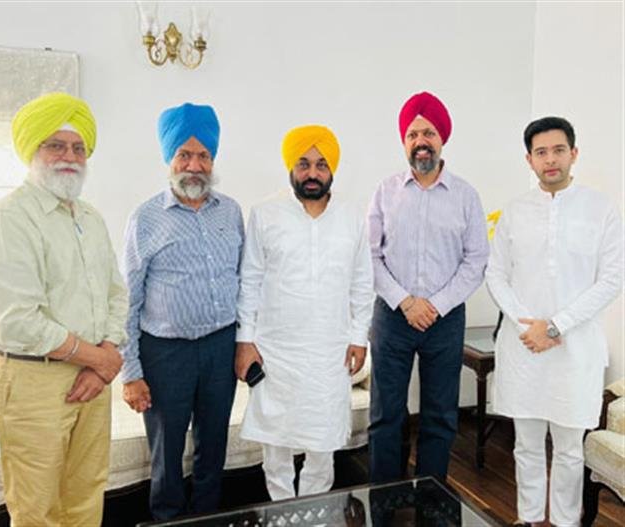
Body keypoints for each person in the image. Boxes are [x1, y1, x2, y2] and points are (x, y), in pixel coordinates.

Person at [0, 92, 127, 526]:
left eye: (79, 148)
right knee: (37, 510)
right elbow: (19, 320)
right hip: (33, 381)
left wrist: (102, 361)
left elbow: (116, 293)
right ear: (32, 150)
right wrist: (100, 359)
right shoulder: (8, 218)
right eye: (56, 145)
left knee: (86, 498)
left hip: (92, 378)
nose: (69, 157)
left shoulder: (90, 217)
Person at [486, 116, 623, 527]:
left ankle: (565, 522)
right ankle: (529, 518)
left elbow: (612, 279)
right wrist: (527, 325)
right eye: (541, 152)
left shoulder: (601, 209)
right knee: (526, 444)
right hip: (524, 347)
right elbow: (496, 274)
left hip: (574, 349)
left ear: (573, 154)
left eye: (558, 150)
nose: (550, 160)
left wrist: (556, 325)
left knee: (569, 449)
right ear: (529, 160)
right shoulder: (515, 211)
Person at [235, 124, 374, 500]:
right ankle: (281, 513)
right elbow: (250, 281)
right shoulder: (265, 213)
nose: (312, 173)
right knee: (275, 444)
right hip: (275, 349)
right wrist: (244, 341)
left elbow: (362, 282)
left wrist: (359, 337)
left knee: (323, 442)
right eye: (304, 164)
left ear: (332, 169)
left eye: (321, 164)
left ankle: (317, 516)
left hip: (330, 351)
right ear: (291, 167)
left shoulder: (351, 215)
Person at [120, 102, 244, 519]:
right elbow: (127, 300)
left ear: (213, 159)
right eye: (184, 155)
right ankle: (167, 520)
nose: (194, 165)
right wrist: (131, 372)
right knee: (167, 452)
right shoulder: (145, 219)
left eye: (203, 155)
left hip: (220, 348)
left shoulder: (231, 212)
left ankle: (210, 517)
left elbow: (243, 280)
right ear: (169, 159)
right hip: (165, 354)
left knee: (214, 446)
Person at [367, 91, 489, 482]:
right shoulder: (385, 191)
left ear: (442, 139)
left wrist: (435, 305)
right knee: (385, 415)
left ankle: (432, 500)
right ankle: (385, 501)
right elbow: (369, 256)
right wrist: (406, 302)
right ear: (404, 141)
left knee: (440, 415)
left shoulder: (466, 196)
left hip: (445, 319)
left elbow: (476, 260)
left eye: (429, 133)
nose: (421, 141)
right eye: (413, 134)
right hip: (392, 315)